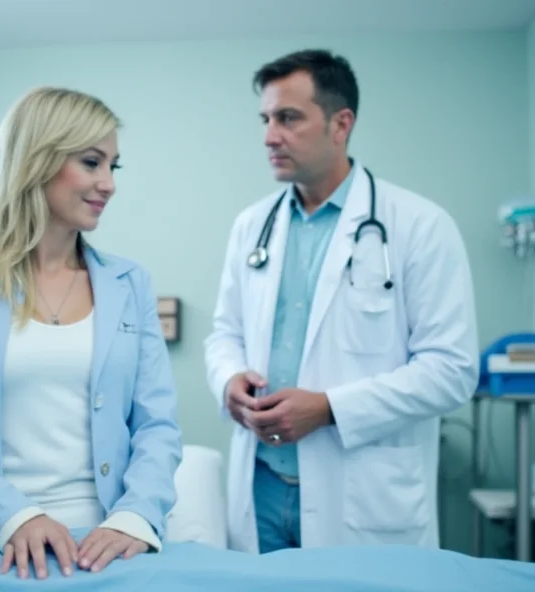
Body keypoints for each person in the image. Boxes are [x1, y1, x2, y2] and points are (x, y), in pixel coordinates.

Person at [0, 87, 182, 580]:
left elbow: (157, 426)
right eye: (92, 162)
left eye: (114, 166)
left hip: (110, 546)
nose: (108, 183)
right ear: (36, 161)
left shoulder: (129, 283)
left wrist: (136, 517)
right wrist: (15, 515)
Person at [203, 49, 479, 554]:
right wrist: (228, 381)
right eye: (265, 119)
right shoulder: (251, 226)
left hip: (360, 491)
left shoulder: (419, 225)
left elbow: (452, 370)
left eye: (288, 118)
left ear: (340, 123)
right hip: (260, 484)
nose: (269, 136)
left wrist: (330, 408)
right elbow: (225, 333)